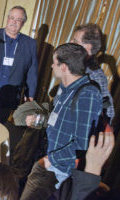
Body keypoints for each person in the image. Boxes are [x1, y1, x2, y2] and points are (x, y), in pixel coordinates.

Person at [20, 43, 103, 200]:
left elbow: (81, 144)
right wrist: (40, 120)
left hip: (56, 171)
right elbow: (60, 119)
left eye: (54, 62)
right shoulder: (65, 89)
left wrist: (49, 160)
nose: (51, 66)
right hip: (47, 163)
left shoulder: (88, 94)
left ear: (64, 67)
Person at [70, 23, 114, 122]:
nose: (70, 42)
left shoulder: (95, 75)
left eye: (75, 41)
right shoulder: (78, 65)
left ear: (87, 48)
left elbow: (108, 110)